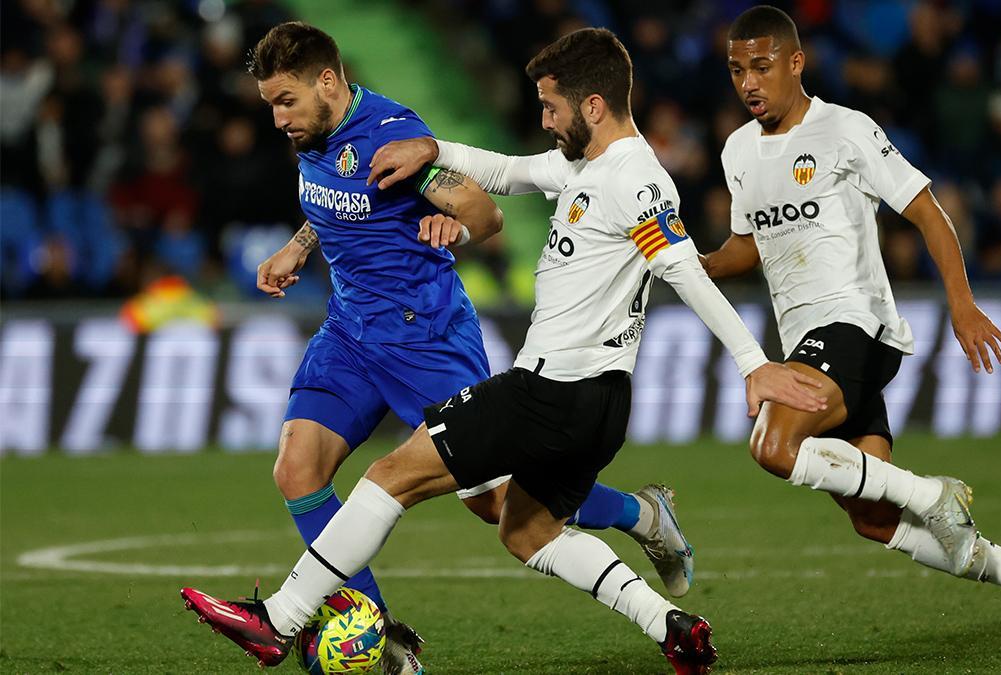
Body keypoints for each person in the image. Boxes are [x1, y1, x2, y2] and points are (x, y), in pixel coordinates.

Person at [182, 27, 828, 674]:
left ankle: (639, 513)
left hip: (425, 334)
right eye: (271, 103)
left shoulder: (388, 132)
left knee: (497, 503)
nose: (278, 117)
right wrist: (301, 244)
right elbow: (346, 199)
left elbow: (483, 205)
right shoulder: (313, 135)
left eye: (286, 101)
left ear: (328, 82)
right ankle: (379, 637)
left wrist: (456, 221)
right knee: (298, 469)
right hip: (350, 331)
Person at [703, 6, 1001, 650]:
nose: (749, 82)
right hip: (809, 342)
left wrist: (961, 304)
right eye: (738, 69)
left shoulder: (846, 130)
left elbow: (930, 214)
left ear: (796, 63)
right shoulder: (737, 150)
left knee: (772, 446)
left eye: (762, 67)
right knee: (874, 519)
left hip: (855, 323)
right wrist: (692, 263)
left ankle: (933, 492)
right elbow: (749, 246)